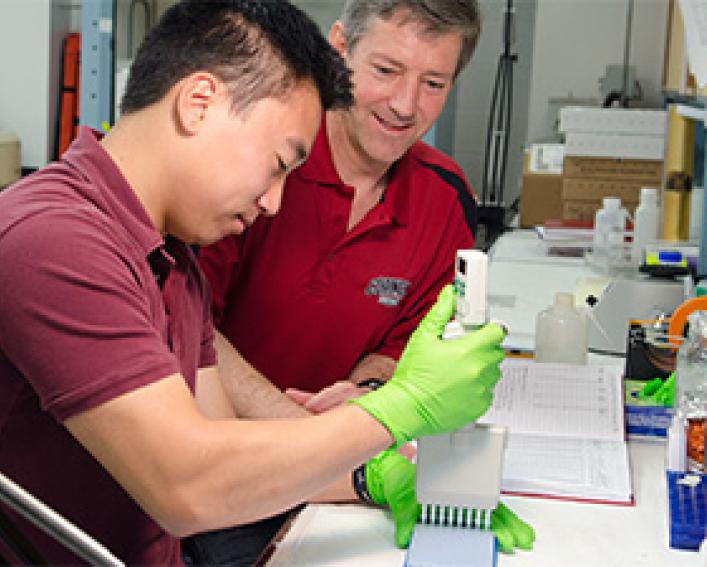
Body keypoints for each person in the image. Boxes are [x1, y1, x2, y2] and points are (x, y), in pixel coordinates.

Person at [0, 1, 506, 566]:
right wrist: (399, 411)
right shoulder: (52, 239)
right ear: (199, 104)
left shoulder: (173, 257)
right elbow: (189, 486)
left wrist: (369, 478)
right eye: (277, 163)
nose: (274, 202)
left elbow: (229, 451)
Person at [197, 0, 534, 564]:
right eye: (385, 71)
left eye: (433, 82)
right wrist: (327, 442)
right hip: (222, 471)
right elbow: (186, 331)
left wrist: (372, 393)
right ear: (339, 49)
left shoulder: (444, 197)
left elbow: (408, 346)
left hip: (343, 484)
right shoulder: (260, 164)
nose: (405, 105)